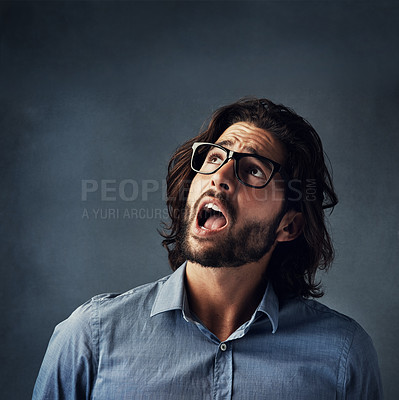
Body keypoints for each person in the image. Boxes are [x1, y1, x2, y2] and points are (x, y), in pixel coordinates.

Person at [33, 98, 383, 399]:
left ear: (287, 225)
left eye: (253, 170)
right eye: (215, 157)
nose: (220, 176)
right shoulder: (89, 338)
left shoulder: (343, 356)